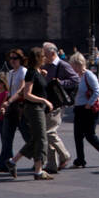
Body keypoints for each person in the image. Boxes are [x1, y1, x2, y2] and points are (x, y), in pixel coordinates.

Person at [9, 48, 57, 180]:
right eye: (43, 56)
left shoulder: (36, 72)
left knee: (36, 139)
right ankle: (38, 171)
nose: (45, 59)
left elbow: (38, 87)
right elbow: (27, 94)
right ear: (38, 58)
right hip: (34, 109)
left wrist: (42, 75)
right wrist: (44, 100)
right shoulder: (30, 72)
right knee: (41, 139)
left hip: (38, 108)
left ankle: (13, 162)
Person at [70, 51, 99, 167]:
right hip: (78, 108)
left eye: (73, 65)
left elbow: (97, 90)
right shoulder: (76, 76)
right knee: (77, 136)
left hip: (89, 109)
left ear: (79, 64)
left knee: (90, 135)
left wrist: (89, 104)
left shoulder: (88, 75)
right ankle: (80, 160)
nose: (72, 67)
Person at [0, 49, 29, 173]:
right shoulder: (11, 73)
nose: (12, 61)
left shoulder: (24, 71)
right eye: (11, 58)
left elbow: (21, 91)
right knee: (6, 137)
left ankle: (39, 159)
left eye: (15, 58)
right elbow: (10, 91)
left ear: (21, 59)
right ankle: (4, 164)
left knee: (28, 137)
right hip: (11, 107)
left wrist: (9, 101)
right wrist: (5, 104)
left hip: (20, 108)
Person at [43, 42, 76, 170]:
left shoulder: (62, 65)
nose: (43, 56)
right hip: (46, 101)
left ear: (52, 53)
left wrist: (60, 82)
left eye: (44, 54)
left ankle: (64, 154)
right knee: (48, 132)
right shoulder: (45, 65)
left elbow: (75, 80)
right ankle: (52, 163)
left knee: (49, 132)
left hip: (57, 102)